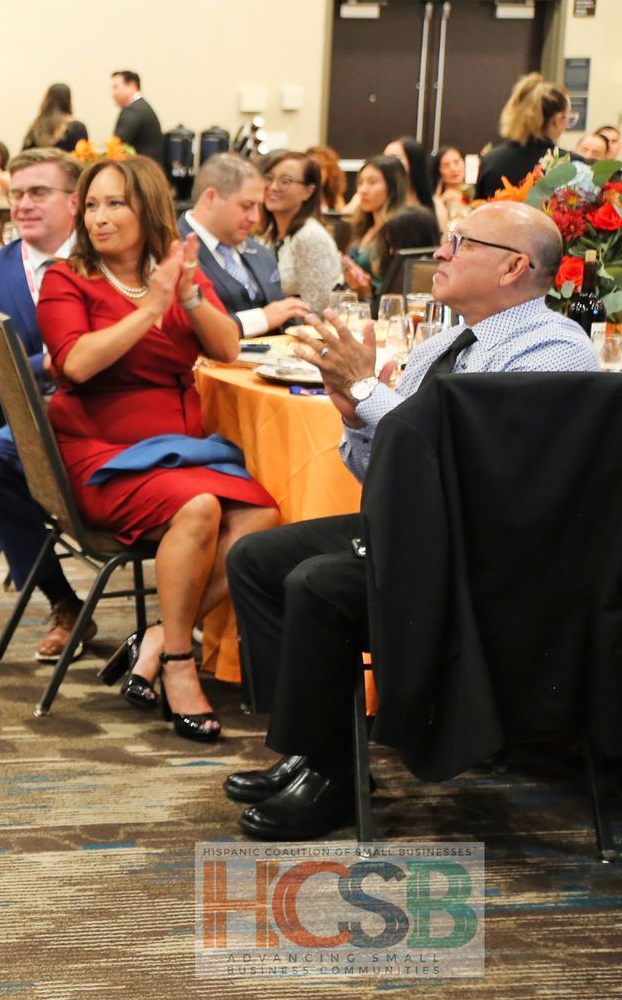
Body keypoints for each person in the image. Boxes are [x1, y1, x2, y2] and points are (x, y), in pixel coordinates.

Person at [223, 202, 597, 840]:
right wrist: (351, 412)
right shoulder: (448, 341)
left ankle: (334, 778)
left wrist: (370, 393)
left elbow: (468, 474)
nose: (440, 253)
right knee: (255, 559)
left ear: (514, 267)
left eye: (460, 242)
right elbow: (388, 475)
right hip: (421, 534)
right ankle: (318, 747)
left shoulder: (555, 352)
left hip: (483, 558)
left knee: (316, 584)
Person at [38, 156, 279, 744]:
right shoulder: (66, 279)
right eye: (91, 205)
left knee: (263, 518)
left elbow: (226, 350)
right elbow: (75, 362)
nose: (98, 217)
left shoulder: (172, 269)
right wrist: (150, 306)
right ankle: (179, 666)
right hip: (102, 453)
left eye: (114, 203)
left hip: (178, 449)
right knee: (198, 508)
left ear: (146, 208)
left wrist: (191, 297)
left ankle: (158, 638)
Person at [0, 148, 94, 660]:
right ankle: (64, 601)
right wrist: (66, 360)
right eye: (16, 194)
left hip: (112, 408)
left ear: (73, 202)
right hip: (36, 419)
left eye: (38, 192)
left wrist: (46, 360)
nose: (23, 205)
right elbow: (0, 367)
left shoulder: (106, 256)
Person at [178, 153, 310, 335]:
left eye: (259, 207)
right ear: (210, 198)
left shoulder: (263, 255)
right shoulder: (170, 249)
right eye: (246, 206)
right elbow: (184, 328)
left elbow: (285, 322)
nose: (255, 218)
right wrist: (262, 318)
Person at [340, 156, 435, 300]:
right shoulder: (362, 226)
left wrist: (367, 289)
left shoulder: (400, 229)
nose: (363, 190)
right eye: (360, 183)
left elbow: (401, 287)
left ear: (393, 187)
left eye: (372, 182)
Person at [256, 149, 341, 312]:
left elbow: (317, 310)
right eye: (269, 178)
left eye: (285, 181)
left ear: (309, 191)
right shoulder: (268, 234)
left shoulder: (310, 237)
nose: (273, 187)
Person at [477, 73, 574, 195]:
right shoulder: (572, 165)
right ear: (557, 120)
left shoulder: (491, 161)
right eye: (568, 117)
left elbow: (480, 211)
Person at [109, 70, 166, 165]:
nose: (112, 93)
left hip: (141, 170)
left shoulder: (133, 110)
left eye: (116, 87)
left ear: (132, 86)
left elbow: (117, 144)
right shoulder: (143, 107)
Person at [22, 83, 89, 154]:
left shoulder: (36, 127)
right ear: (68, 101)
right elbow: (83, 158)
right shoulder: (78, 128)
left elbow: (24, 155)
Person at [431, 144, 473, 222]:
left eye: (456, 162)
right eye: (446, 165)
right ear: (438, 170)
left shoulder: (475, 194)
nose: (453, 169)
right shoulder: (436, 200)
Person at [308, 145, 349, 217]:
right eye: (312, 167)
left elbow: (342, 218)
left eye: (321, 167)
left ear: (330, 171)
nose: (316, 172)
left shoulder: (335, 196)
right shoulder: (302, 195)